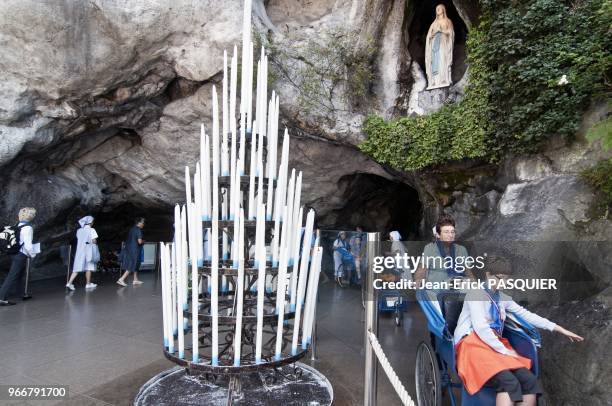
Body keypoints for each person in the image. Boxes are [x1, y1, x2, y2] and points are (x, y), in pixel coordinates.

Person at [454, 257, 583, 405]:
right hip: (472, 345)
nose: (503, 283)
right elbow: (481, 328)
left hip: (493, 344)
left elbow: (526, 315)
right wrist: (504, 351)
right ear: (488, 275)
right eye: (500, 278)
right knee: (509, 383)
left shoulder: (502, 297)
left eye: (507, 279)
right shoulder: (476, 294)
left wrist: (559, 329)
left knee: (530, 381)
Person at [414, 214, 471, 286]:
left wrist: (477, 287)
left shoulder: (461, 250)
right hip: (436, 291)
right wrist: (418, 279)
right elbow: (421, 270)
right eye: (446, 232)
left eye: (452, 232)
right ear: (438, 235)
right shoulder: (430, 248)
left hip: (458, 289)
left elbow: (469, 273)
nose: (450, 235)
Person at [0, 208, 37, 306]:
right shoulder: (28, 228)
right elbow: (28, 246)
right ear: (32, 216)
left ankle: (22, 294)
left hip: (14, 253)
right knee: (12, 276)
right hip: (21, 255)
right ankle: (1, 297)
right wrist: (33, 254)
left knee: (19, 275)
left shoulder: (18, 225)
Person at [65, 216, 99, 291]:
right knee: (89, 266)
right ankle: (88, 284)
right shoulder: (91, 230)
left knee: (77, 267)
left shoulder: (79, 230)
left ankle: (69, 283)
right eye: (93, 222)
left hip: (80, 250)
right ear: (90, 222)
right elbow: (94, 241)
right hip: (88, 250)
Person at [117, 217, 145, 286]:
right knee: (132, 264)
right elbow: (139, 241)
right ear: (139, 223)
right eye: (143, 222)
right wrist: (144, 241)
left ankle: (135, 280)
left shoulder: (132, 229)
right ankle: (121, 279)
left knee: (136, 264)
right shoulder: (138, 230)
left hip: (129, 249)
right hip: (134, 250)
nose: (143, 224)